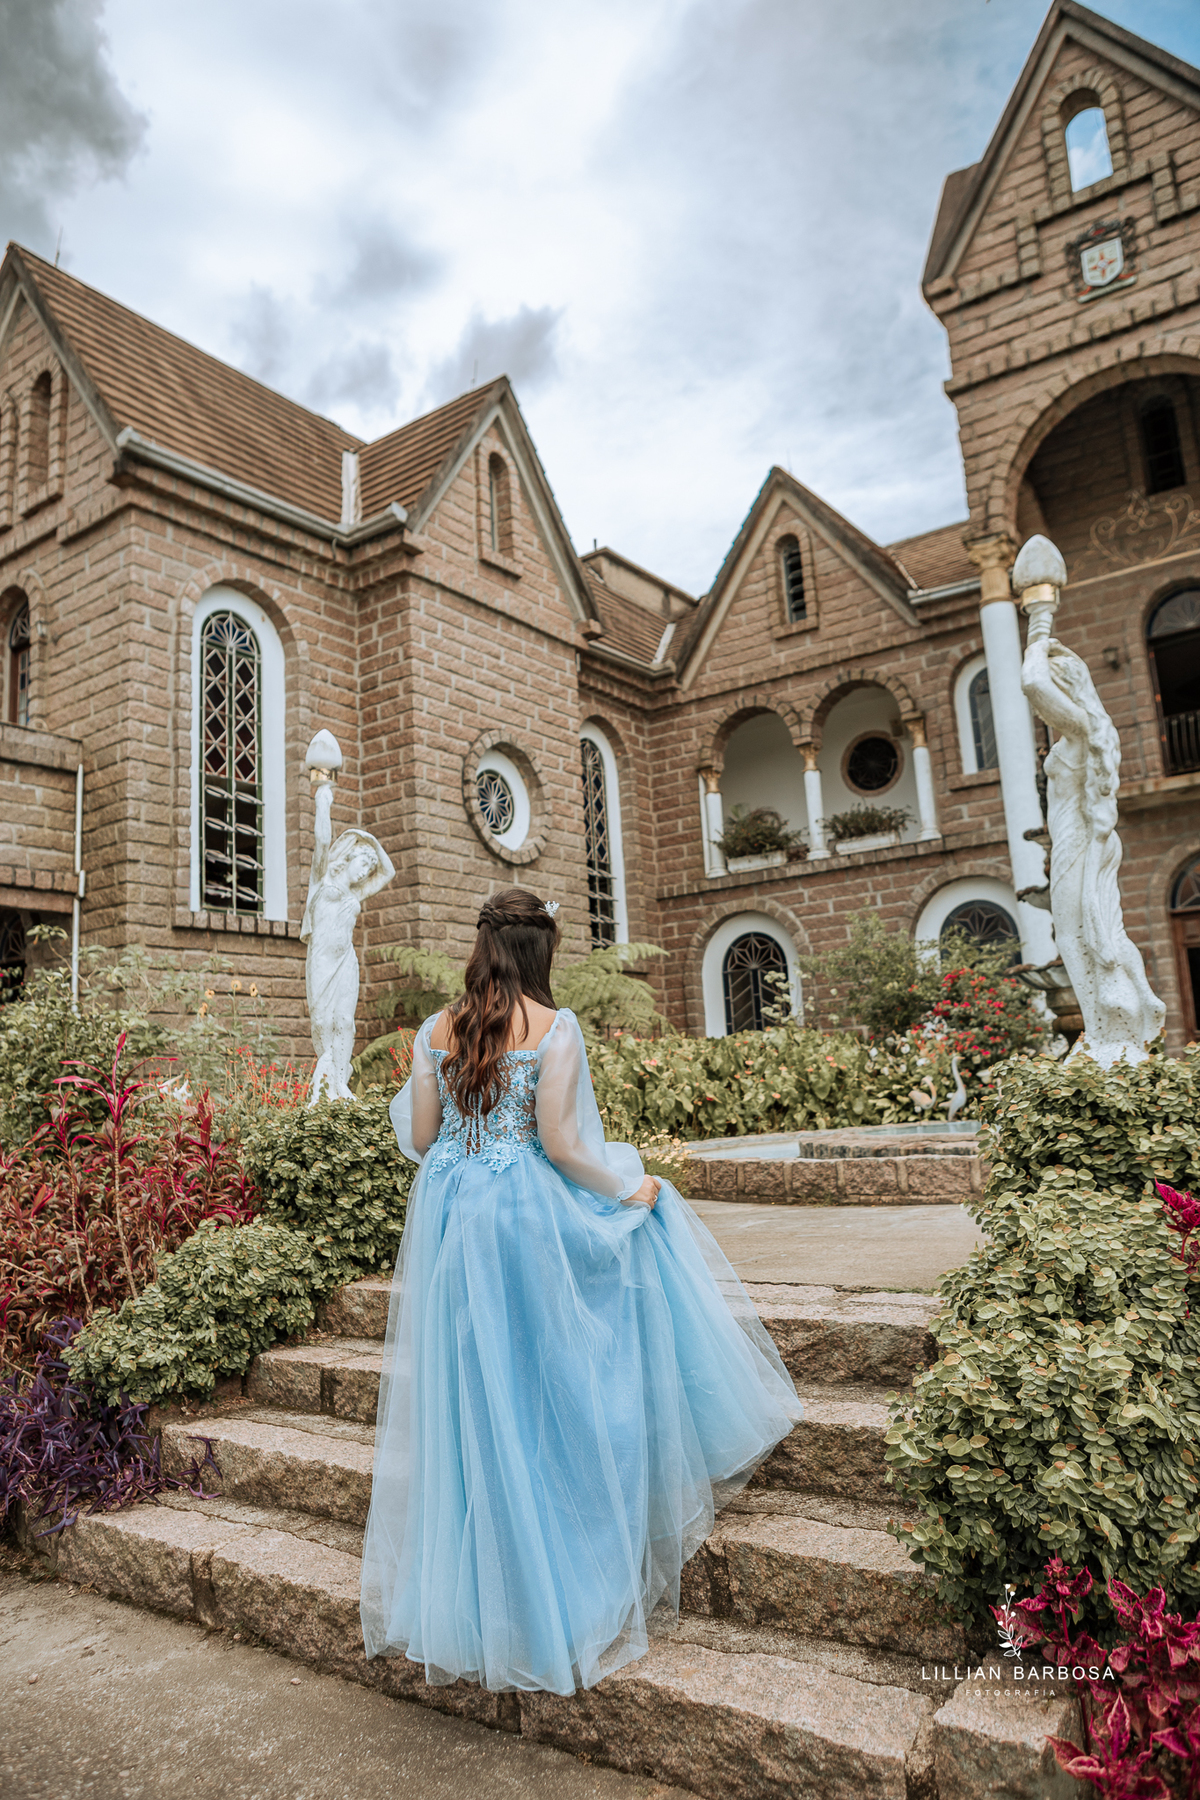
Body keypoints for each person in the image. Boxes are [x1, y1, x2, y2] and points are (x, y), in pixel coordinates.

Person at [359, 886, 801, 1696]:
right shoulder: (555, 1028)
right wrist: (629, 1187)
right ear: (540, 952)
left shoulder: (434, 1030)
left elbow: (421, 1140)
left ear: (484, 945)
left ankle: (481, 1600)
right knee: (548, 1378)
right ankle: (563, 1581)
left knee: (474, 1398)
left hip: (454, 1222)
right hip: (524, 1217)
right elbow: (562, 1147)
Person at [301, 774, 395, 1103]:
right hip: (322, 960)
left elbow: (389, 872)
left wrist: (368, 839)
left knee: (345, 1021)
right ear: (349, 856)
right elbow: (322, 842)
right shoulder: (322, 878)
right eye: (363, 863)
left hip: (346, 961)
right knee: (322, 1021)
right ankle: (325, 1076)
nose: (366, 872)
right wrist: (322, 802)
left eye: (369, 869)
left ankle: (340, 1081)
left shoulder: (358, 892)